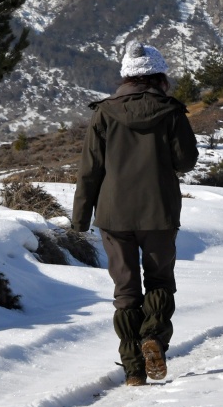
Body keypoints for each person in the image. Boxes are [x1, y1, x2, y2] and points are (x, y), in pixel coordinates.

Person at [72, 41, 199, 387]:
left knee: (126, 290)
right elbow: (186, 161)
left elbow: (89, 171)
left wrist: (80, 218)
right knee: (159, 281)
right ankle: (153, 337)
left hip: (113, 215)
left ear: (127, 76)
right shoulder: (170, 111)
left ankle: (133, 371)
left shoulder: (104, 113)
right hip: (159, 211)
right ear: (159, 76)